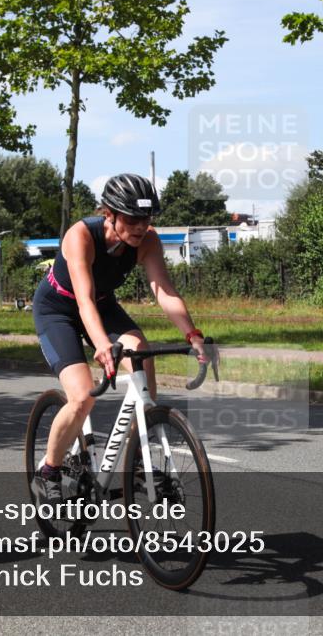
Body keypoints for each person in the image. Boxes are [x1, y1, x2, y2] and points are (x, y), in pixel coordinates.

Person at [30, 173, 209, 505]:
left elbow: (165, 292)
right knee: (83, 397)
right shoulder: (81, 235)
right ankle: (49, 470)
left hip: (102, 305)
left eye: (147, 218)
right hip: (58, 309)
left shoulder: (148, 242)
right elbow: (82, 300)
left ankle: (136, 459)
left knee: (141, 353)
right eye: (133, 218)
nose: (142, 226)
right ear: (108, 213)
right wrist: (101, 345)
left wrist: (193, 334)